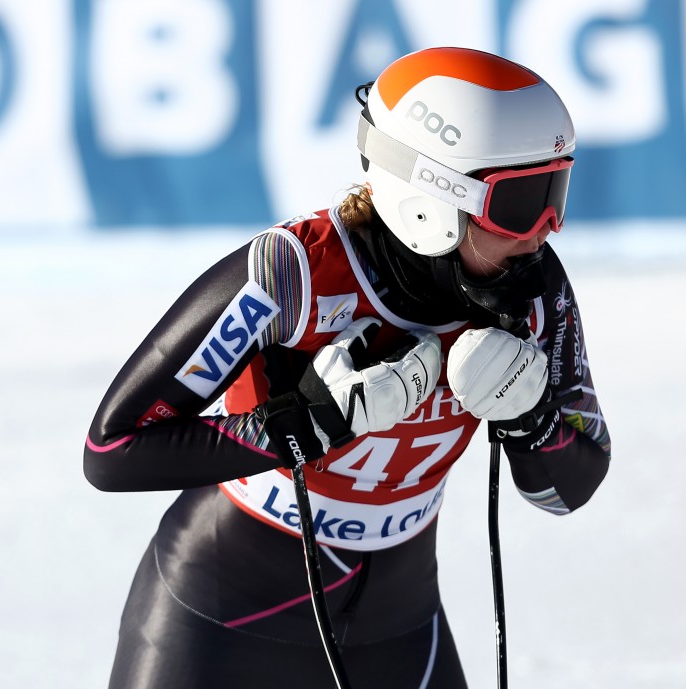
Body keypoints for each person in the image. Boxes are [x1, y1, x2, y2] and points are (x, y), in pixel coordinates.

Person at [85, 46, 611, 689]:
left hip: (397, 630)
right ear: (432, 200)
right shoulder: (292, 275)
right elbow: (111, 449)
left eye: (557, 192)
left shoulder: (533, 293)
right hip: (215, 624)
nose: (546, 230)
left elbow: (567, 488)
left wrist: (533, 421)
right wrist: (301, 425)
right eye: (523, 202)